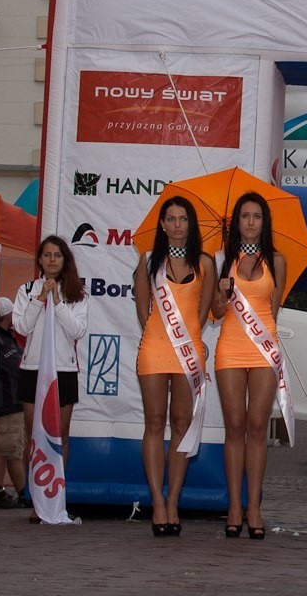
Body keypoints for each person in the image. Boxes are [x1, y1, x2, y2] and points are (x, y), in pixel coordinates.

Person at [134, 196, 215, 537]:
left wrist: (189, 342)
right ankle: (156, 502)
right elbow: (142, 309)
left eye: (183, 219)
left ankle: (173, 503)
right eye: (171, 218)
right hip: (154, 348)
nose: (177, 224)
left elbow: (204, 312)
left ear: (190, 224)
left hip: (188, 350)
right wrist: (159, 335)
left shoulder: (206, 263)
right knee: (154, 423)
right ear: (163, 224)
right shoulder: (148, 261)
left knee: (181, 424)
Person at [211, 192, 287, 540]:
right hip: (230, 347)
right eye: (245, 216)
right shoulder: (222, 260)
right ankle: (233, 506)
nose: (251, 222)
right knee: (235, 426)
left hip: (263, 348)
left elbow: (274, 308)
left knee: (257, 425)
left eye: (257, 216)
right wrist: (223, 295)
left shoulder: (277, 260)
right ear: (237, 222)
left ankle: (253, 506)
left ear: (264, 222)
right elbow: (214, 313)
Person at [12, 235, 88, 523]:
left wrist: (57, 300)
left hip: (64, 371)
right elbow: (21, 327)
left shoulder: (78, 293)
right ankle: (36, 502)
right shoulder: (27, 290)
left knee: (60, 435)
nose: (52, 260)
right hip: (32, 369)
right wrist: (40, 299)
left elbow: (77, 330)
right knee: (35, 435)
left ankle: (55, 500)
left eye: (57, 255)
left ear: (65, 260)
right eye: (47, 255)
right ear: (40, 260)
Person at [0, 297, 26, 509]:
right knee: (5, 449)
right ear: (7, 316)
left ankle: (22, 492)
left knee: (13, 450)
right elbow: (19, 368)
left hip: (9, 403)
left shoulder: (2, 339)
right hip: (8, 404)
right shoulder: (1, 342)